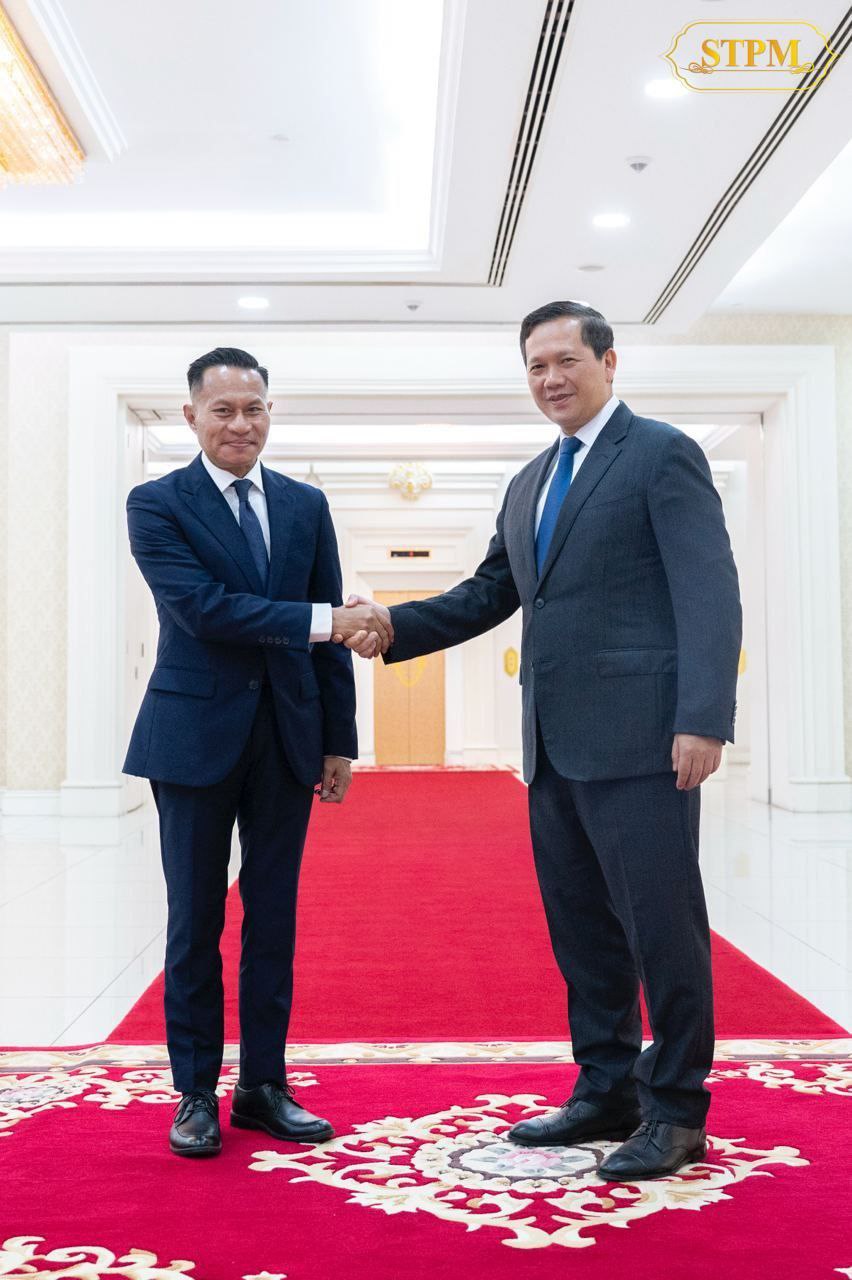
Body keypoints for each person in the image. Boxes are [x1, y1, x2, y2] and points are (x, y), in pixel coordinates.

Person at [340, 302, 741, 1181]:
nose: (551, 378)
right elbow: (491, 592)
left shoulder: (661, 454)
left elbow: (709, 591)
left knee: (663, 928)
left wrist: (704, 718)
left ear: (609, 361)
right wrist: (391, 623)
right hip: (553, 744)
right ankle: (606, 1088)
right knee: (583, 929)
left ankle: (677, 1109)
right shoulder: (528, 482)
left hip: (644, 741)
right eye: (535, 365)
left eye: (566, 360)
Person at [124, 347, 391, 1157]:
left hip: (287, 738)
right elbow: (205, 610)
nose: (240, 424)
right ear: (191, 417)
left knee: (273, 919)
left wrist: (339, 739)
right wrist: (328, 620)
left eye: (254, 409)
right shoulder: (156, 504)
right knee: (194, 921)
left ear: (271, 412)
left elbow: (328, 636)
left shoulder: (306, 505)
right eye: (223, 410)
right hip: (191, 740)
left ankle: (264, 1087)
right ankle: (195, 1093)